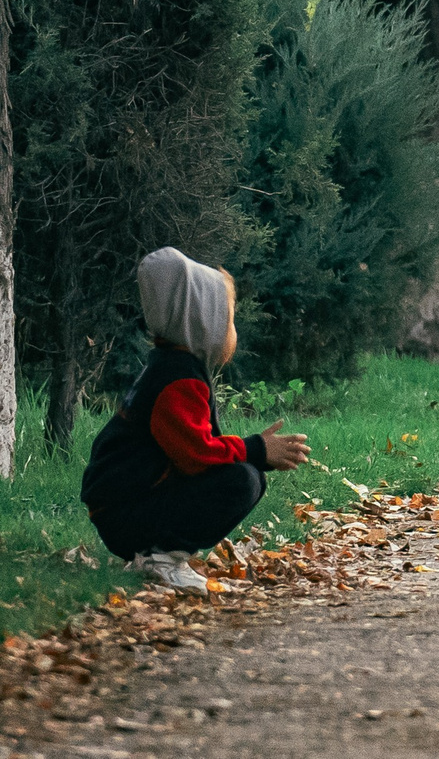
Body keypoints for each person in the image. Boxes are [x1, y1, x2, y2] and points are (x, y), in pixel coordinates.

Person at [81, 248, 311, 590]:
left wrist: (252, 451)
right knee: (242, 481)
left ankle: (157, 555)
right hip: (126, 515)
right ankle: (161, 560)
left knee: (246, 473)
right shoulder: (179, 380)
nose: (233, 330)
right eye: (229, 319)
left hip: (122, 508)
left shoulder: (167, 365)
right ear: (204, 320)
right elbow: (195, 455)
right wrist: (255, 450)